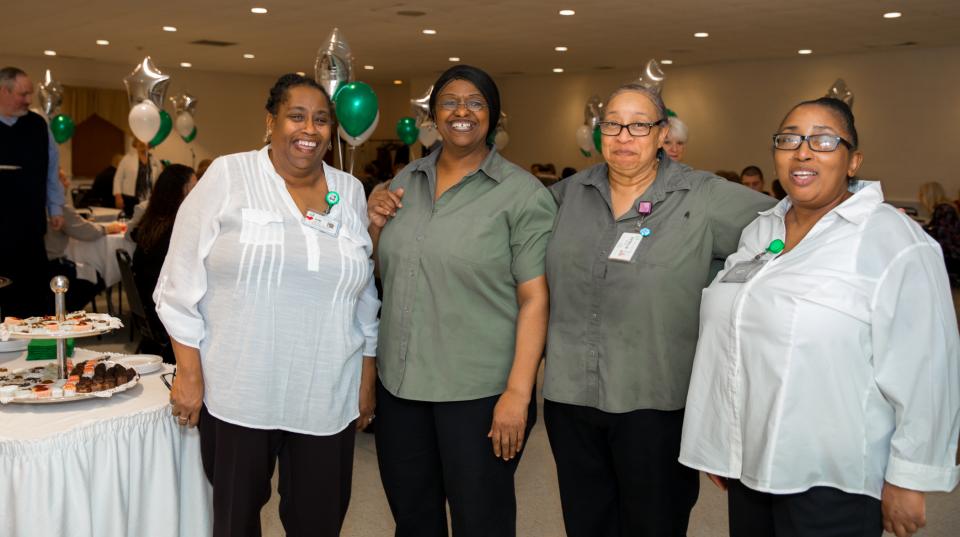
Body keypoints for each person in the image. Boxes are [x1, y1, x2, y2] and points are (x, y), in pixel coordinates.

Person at [680, 97, 960, 537]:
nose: (803, 151)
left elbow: (927, 368)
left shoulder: (893, 239)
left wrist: (911, 478)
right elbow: (733, 339)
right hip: (751, 465)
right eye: (789, 139)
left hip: (833, 478)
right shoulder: (761, 229)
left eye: (824, 140)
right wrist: (727, 443)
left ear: (854, 161)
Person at [543, 83, 775, 537]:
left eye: (639, 125)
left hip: (657, 403)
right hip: (570, 397)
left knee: (655, 523)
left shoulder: (705, 196)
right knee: (586, 522)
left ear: (661, 133)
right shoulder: (567, 195)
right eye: (612, 124)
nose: (624, 136)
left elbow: (787, 225)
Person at [158, 73, 379, 537]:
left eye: (321, 119)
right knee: (235, 523)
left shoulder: (349, 191)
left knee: (318, 522)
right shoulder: (229, 175)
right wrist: (189, 372)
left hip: (326, 393)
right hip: (240, 393)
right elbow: (178, 283)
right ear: (271, 121)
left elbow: (364, 297)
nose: (310, 129)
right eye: (296, 116)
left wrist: (365, 377)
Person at [366, 64, 556, 537]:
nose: (462, 111)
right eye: (450, 101)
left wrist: (518, 393)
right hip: (402, 387)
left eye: (476, 102)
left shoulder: (522, 195)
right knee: (412, 519)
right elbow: (381, 271)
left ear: (494, 117)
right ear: (433, 114)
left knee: (481, 522)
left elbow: (535, 299)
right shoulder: (406, 180)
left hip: (478, 393)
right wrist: (372, 224)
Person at [0, 66, 65, 318]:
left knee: (32, 296)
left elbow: (52, 168)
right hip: (1, 228)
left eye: (30, 94)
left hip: (30, 226)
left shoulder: (38, 125)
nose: (28, 100)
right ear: (3, 92)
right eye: (23, 94)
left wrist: (56, 206)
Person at [130, 164, 197, 362]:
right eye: (194, 186)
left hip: (148, 311)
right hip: (165, 317)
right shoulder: (177, 229)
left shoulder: (151, 222)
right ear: (181, 191)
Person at [45, 169, 123, 312]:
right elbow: (85, 232)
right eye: (63, 179)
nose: (68, 183)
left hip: (37, 265)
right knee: (98, 276)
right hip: (53, 267)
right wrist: (107, 228)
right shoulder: (57, 207)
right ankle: (65, 312)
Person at [919, 181, 960, 285]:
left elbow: (942, 237)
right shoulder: (946, 207)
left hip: (952, 257)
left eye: (922, 195)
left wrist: (920, 229)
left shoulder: (943, 210)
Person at [113, 138, 161, 218]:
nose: (142, 143)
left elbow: (159, 179)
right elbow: (118, 178)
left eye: (144, 140)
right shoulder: (127, 159)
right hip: (130, 199)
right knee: (131, 221)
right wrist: (118, 197)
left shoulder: (155, 160)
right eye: (139, 140)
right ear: (135, 143)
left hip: (149, 199)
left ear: (149, 144)